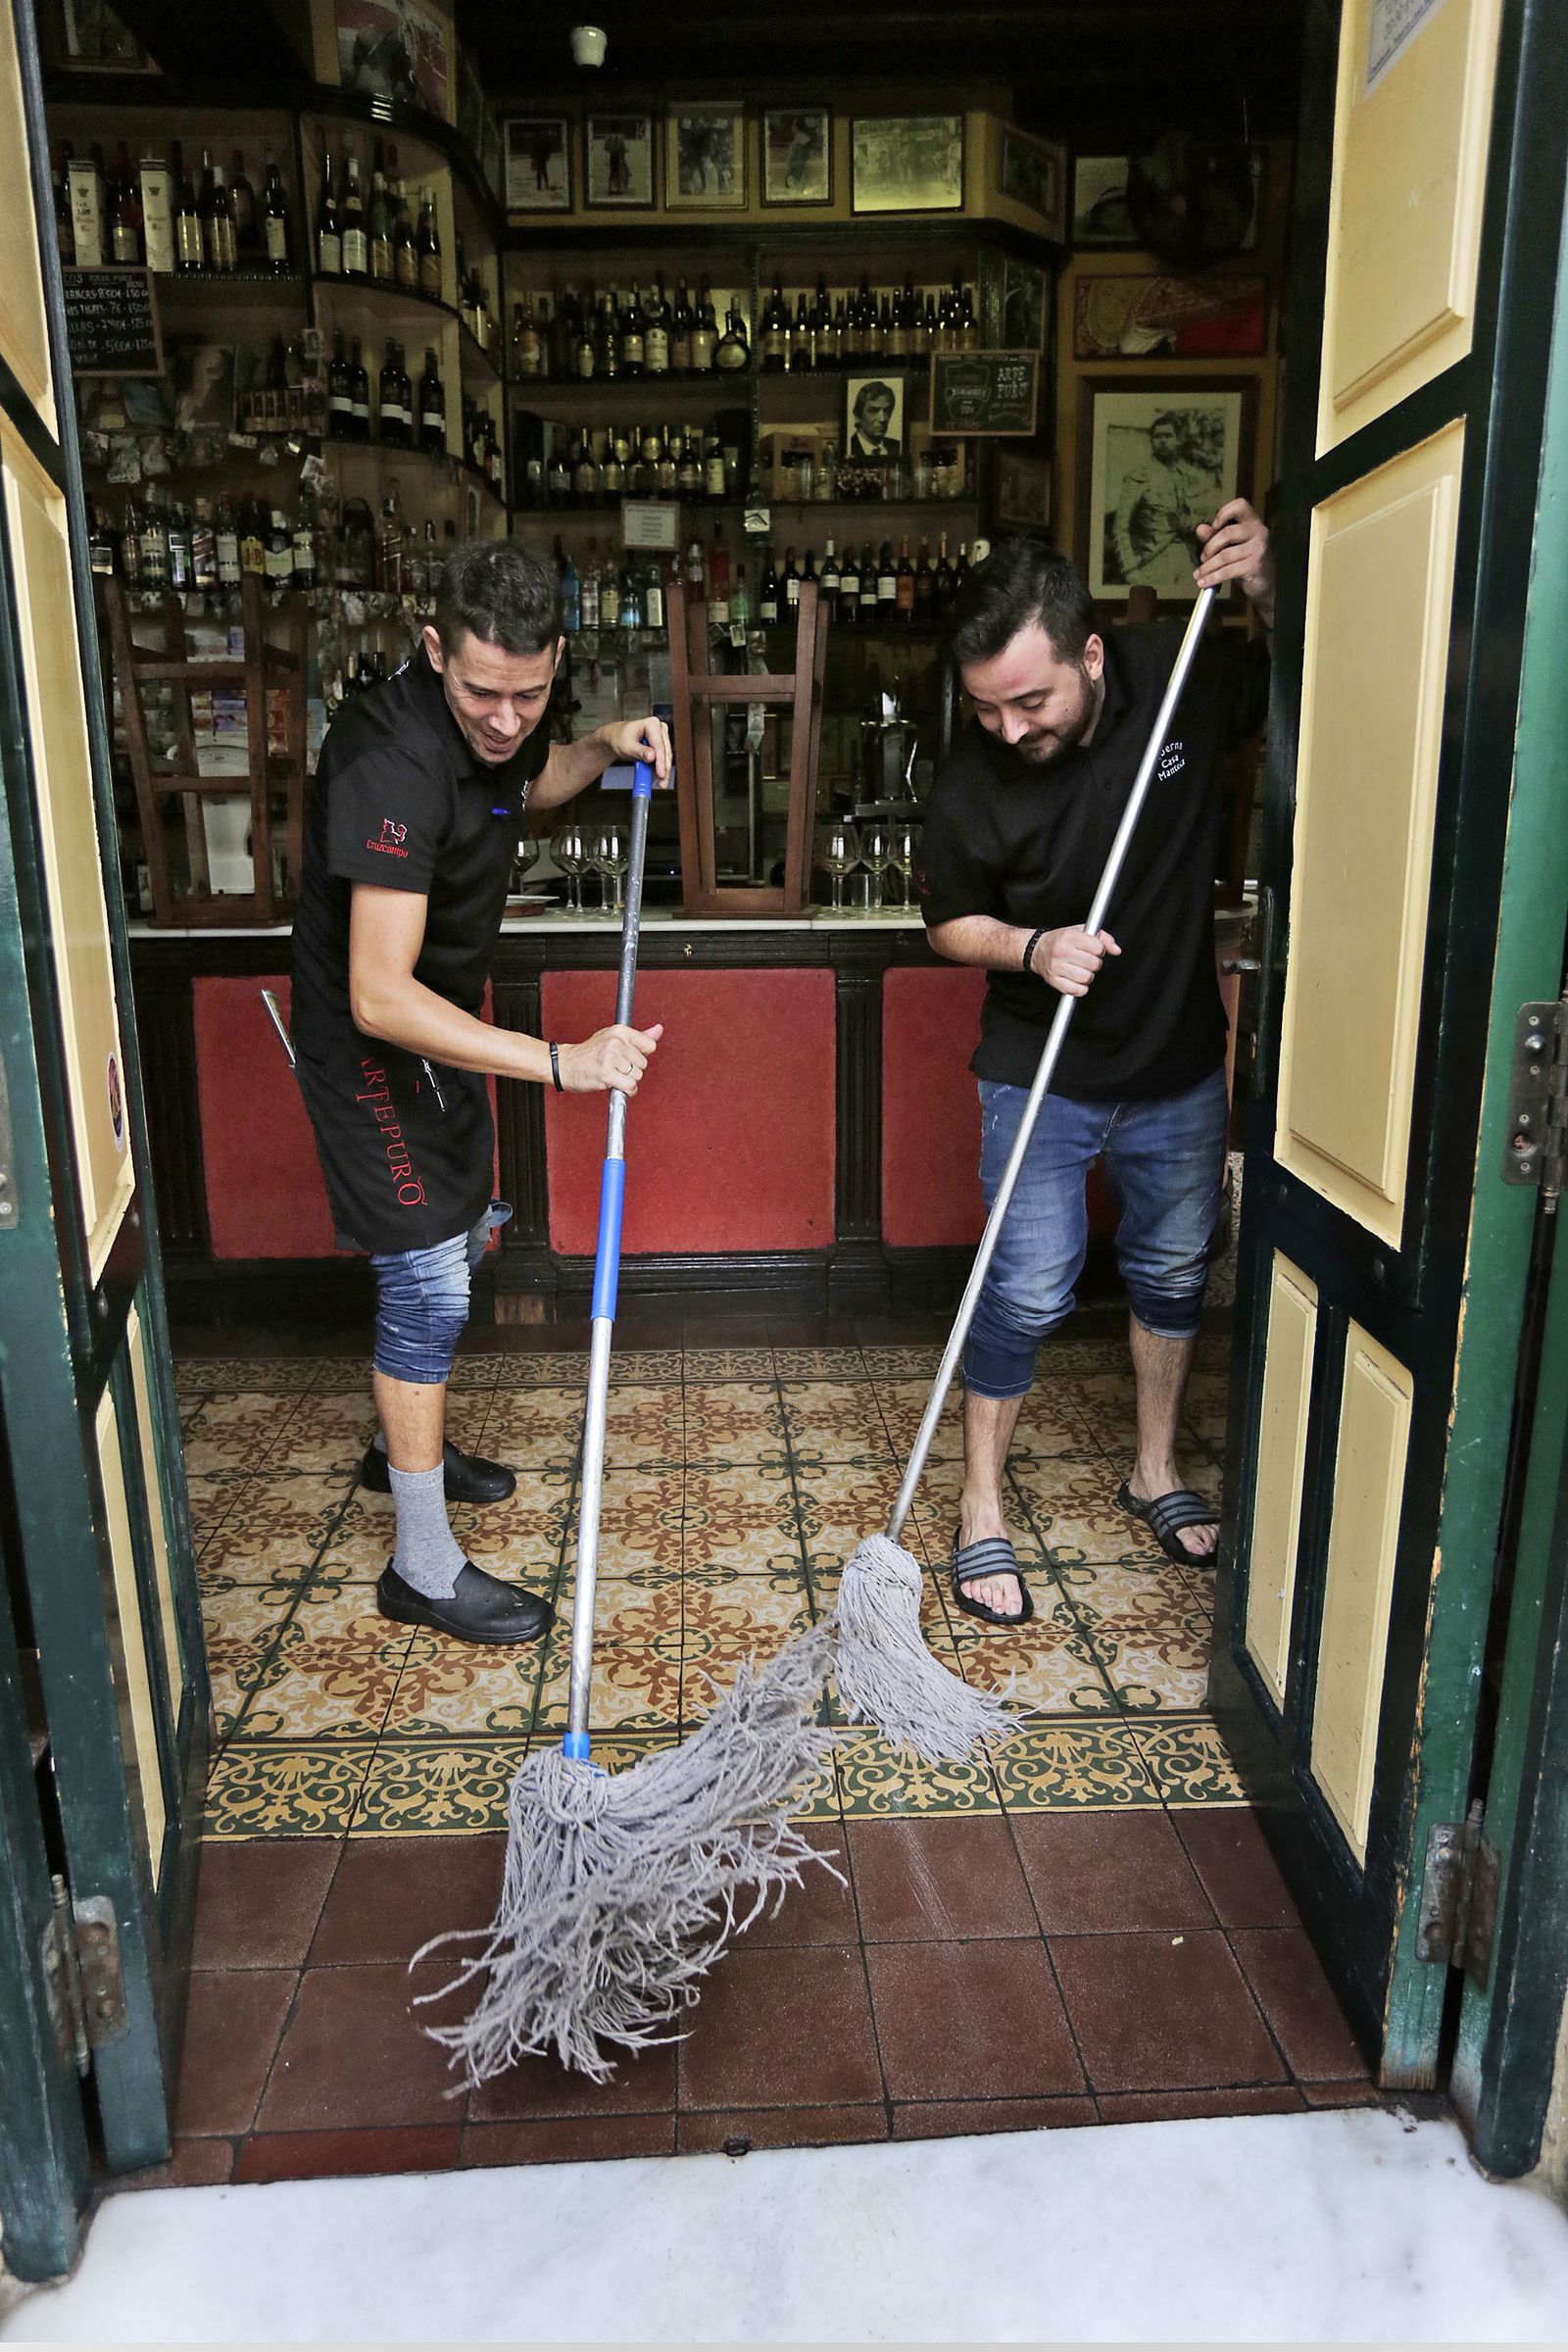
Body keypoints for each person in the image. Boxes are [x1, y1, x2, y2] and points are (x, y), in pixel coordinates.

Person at [289, 541, 670, 1646]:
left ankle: (397, 1444)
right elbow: (375, 992)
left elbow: (531, 778)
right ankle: (419, 1563)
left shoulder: (501, 724)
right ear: (429, 652)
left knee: (456, 1234)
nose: (505, 720)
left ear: (554, 659)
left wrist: (598, 741)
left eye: (530, 692)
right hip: (373, 1035)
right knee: (431, 1289)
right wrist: (561, 1062)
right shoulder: (389, 758)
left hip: (436, 1027)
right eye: (479, 693)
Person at [917, 510, 1274, 1626]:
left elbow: (1315, 670)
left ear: (1091, 654)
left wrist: (1267, 582)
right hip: (1039, 1067)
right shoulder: (971, 769)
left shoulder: (1183, 671)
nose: (1008, 725)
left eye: (1032, 700)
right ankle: (980, 1505)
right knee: (1022, 1289)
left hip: (1173, 1059)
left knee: (1171, 1276)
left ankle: (1154, 1472)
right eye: (985, 704)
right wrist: (1031, 947)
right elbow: (945, 925)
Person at [1109, 412, 1217, 592]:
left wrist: (1191, 522)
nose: (1162, 441)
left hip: (1183, 558)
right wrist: (1130, 570)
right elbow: (1121, 526)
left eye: (1168, 435)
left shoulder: (1184, 477)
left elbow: (1195, 517)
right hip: (1152, 560)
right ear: (1151, 441)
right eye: (1157, 436)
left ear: (1178, 440)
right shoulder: (1139, 477)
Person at [848, 380, 902, 464]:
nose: (882, 419)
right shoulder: (849, 447)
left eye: (887, 411)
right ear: (857, 416)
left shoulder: (897, 447)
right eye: (873, 410)